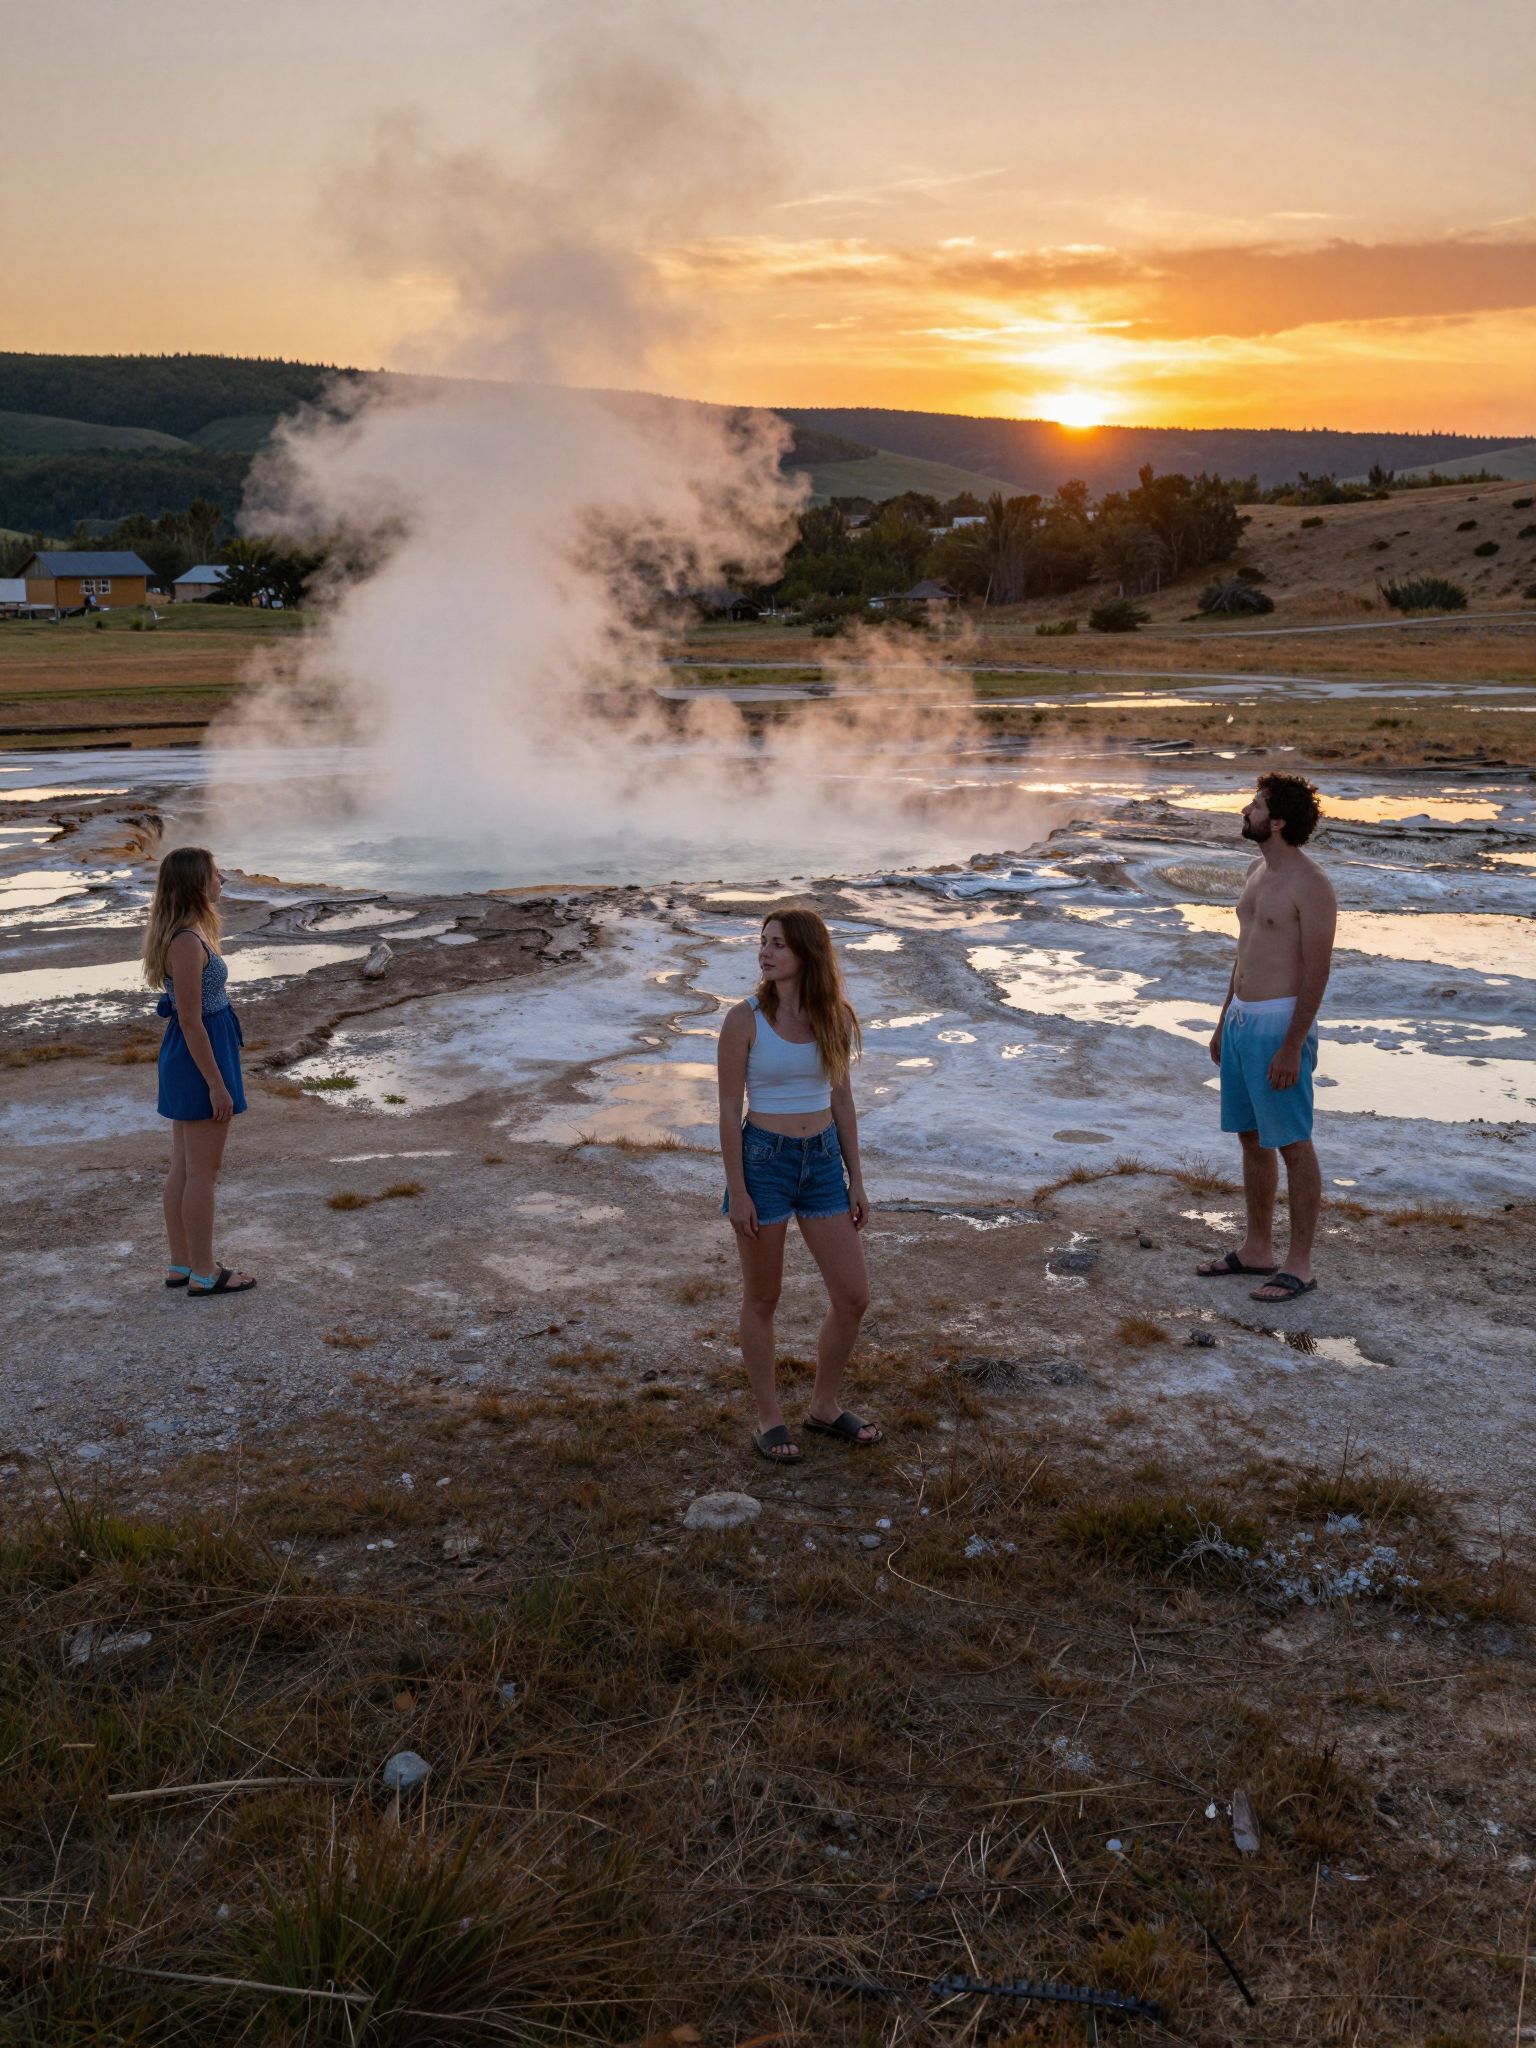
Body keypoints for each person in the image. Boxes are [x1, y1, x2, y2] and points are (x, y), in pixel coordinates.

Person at [717, 907, 879, 1462]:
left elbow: (842, 1100)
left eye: (778, 944)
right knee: (763, 1297)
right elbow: (725, 1113)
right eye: (762, 942)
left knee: (853, 1297)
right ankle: (769, 1418)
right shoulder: (745, 1019)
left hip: (823, 1163)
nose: (765, 952)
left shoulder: (833, 1016)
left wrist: (856, 1179)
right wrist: (737, 1191)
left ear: (807, 953)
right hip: (764, 1162)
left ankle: (824, 1406)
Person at [1196, 773, 1336, 1303]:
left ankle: (1299, 1265)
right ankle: (1257, 1249)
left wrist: (1291, 1046)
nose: (1245, 811)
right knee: (1251, 1139)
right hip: (1241, 1023)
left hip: (1280, 1026)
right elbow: (1245, 953)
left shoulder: (1312, 884)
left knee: (1293, 1143)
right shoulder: (1256, 870)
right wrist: (1222, 1018)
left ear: (1276, 821)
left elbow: (1317, 972)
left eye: (1254, 805)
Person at [142, 846, 256, 1298]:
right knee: (201, 1173)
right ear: (195, 882)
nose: (222, 880)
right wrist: (216, 1084)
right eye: (215, 874)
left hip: (195, 1052)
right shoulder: (187, 942)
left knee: (186, 1168)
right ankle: (206, 1273)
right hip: (199, 1058)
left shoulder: (186, 934)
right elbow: (190, 1020)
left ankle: (182, 1264)